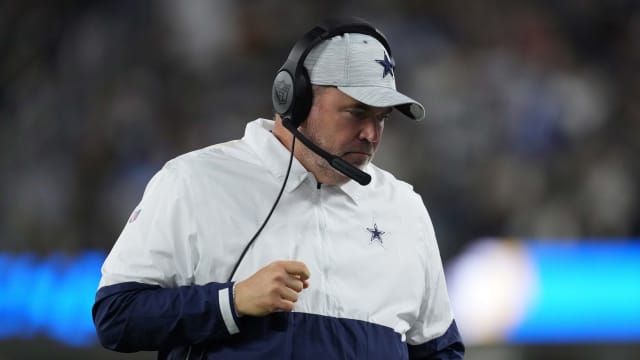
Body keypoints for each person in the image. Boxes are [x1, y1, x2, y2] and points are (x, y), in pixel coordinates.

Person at [93, 18, 465, 359]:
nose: (371, 134)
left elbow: (439, 349)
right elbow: (117, 317)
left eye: (380, 118)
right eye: (356, 112)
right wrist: (232, 302)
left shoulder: (404, 207)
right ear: (295, 99)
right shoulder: (194, 181)